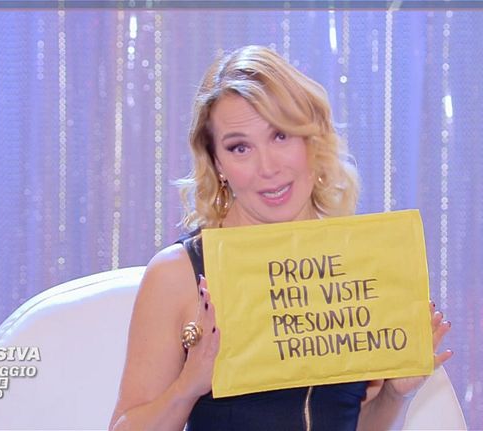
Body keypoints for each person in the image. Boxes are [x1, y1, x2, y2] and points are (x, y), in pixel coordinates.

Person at [109, 45, 453, 431]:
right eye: (240, 147)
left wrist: (396, 394)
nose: (268, 167)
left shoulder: (357, 263)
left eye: (280, 136)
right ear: (218, 163)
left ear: (311, 139)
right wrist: (188, 386)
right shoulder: (177, 274)